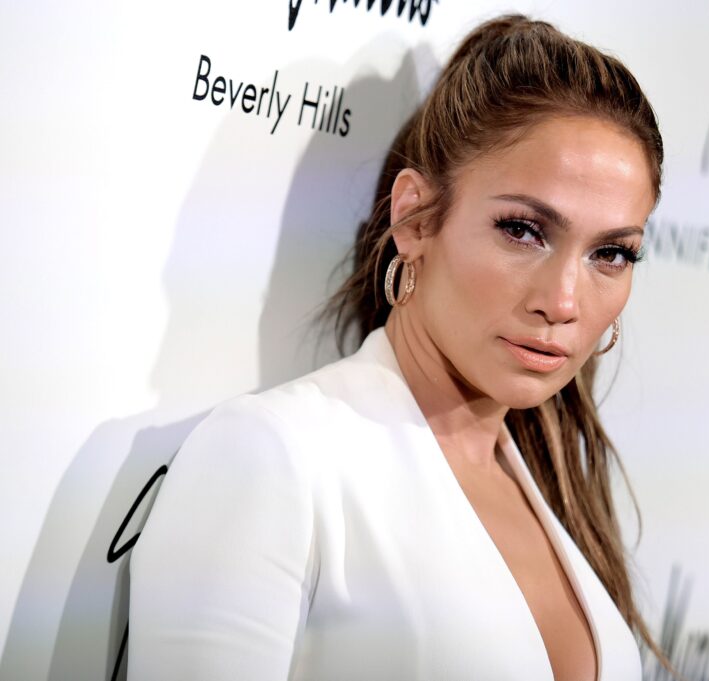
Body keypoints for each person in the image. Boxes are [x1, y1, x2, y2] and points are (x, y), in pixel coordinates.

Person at [128, 13, 674, 681]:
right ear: (415, 217)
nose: (563, 302)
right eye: (524, 230)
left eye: (611, 253)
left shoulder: (557, 500)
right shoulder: (276, 457)